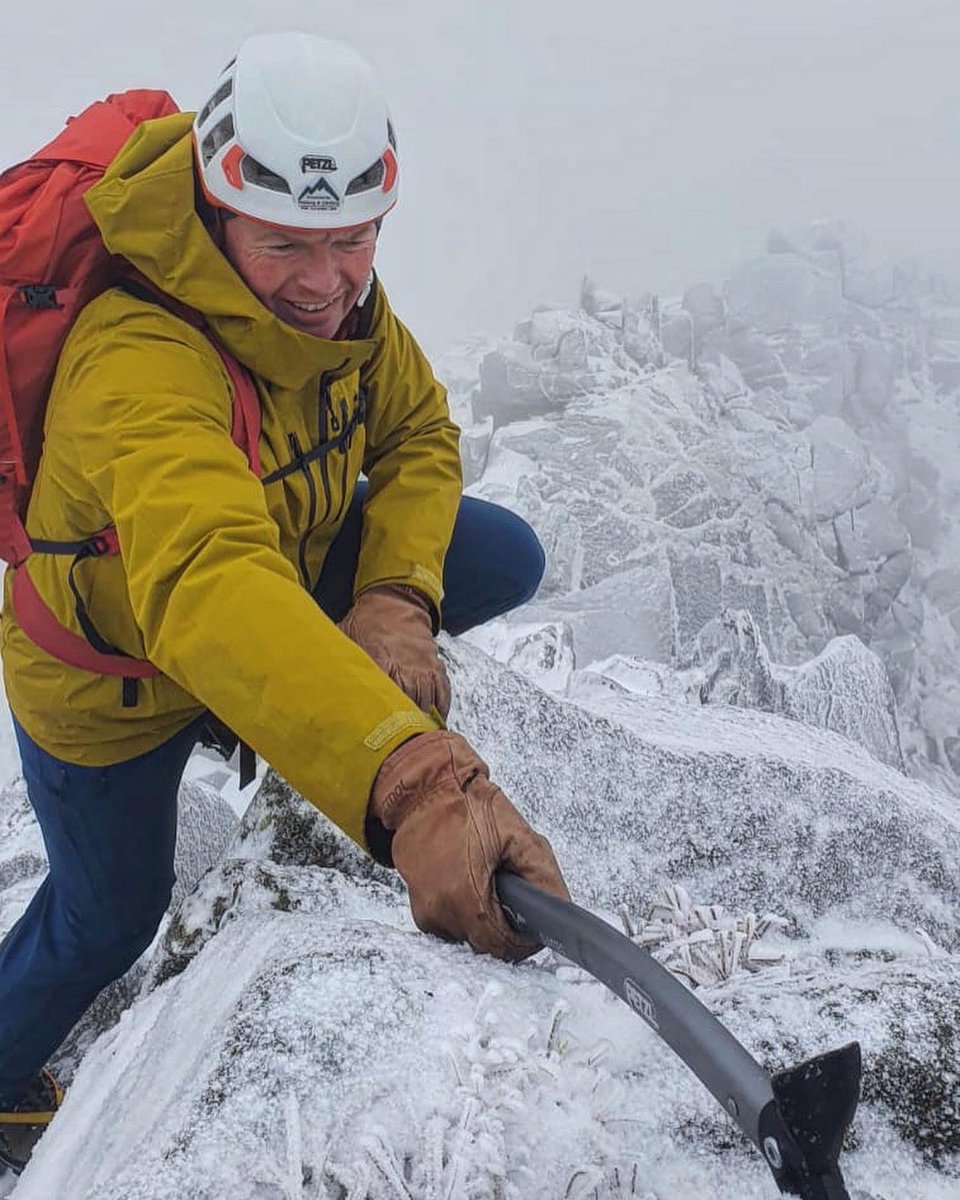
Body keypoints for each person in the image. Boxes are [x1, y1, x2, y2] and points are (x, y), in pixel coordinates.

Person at [0, 31, 569, 1170]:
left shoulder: (338, 305)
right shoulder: (137, 356)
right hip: (116, 682)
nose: (324, 284)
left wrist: (396, 599)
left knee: (494, 554)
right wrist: (411, 783)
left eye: (352, 241)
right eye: (288, 247)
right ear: (218, 215)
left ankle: (274, 695)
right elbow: (209, 584)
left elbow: (414, 430)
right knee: (106, 916)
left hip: (265, 564)